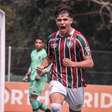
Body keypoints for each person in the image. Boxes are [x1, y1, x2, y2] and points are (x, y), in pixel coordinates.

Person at [37, 4, 94, 112]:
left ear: (71, 20)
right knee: (55, 107)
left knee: (76, 108)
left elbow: (90, 62)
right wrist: (42, 66)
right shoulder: (51, 39)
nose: (62, 22)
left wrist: (73, 64)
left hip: (75, 83)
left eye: (65, 19)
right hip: (57, 79)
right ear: (56, 21)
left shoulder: (79, 38)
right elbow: (49, 58)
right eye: (59, 20)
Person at [23, 37, 51, 112]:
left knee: (32, 98)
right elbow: (32, 64)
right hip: (33, 78)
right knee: (31, 99)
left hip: (40, 79)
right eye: (36, 42)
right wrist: (27, 74)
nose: (38, 44)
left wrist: (42, 73)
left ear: (43, 44)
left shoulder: (44, 53)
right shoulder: (33, 52)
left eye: (40, 42)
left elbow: (49, 65)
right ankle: (47, 110)